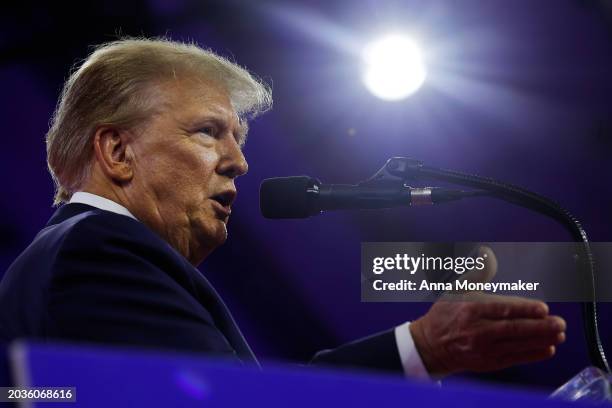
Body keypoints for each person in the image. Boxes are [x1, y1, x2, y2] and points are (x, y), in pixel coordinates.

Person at [0, 38, 566, 379]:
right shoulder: (99, 250)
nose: (239, 163)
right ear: (117, 151)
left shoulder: (77, 258)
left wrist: (423, 348)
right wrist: (424, 347)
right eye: (208, 132)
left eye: (239, 138)